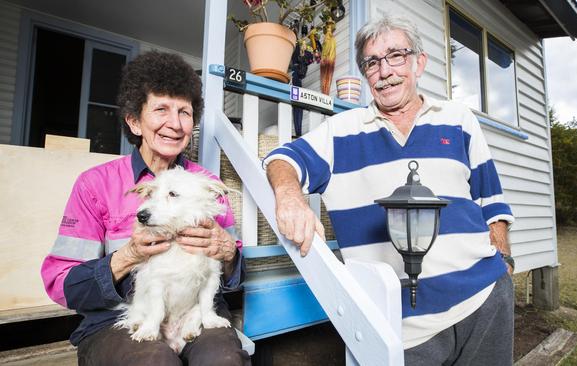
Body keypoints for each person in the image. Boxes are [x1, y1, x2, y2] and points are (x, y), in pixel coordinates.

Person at [264, 16, 515, 365]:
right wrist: (290, 197)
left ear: (418, 62)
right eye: (372, 62)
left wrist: (503, 263)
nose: (385, 71)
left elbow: (492, 202)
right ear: (366, 74)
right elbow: (282, 158)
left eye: (396, 55)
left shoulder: (459, 119)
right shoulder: (341, 132)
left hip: (484, 299)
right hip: (400, 327)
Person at [41, 51, 250, 366]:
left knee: (223, 359)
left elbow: (235, 274)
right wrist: (128, 256)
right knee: (152, 361)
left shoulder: (207, 186)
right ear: (135, 121)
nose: (175, 124)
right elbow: (62, 284)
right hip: (119, 317)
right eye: (161, 109)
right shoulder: (95, 184)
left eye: (185, 112)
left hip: (194, 313)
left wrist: (229, 254)